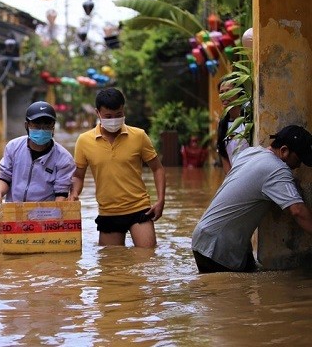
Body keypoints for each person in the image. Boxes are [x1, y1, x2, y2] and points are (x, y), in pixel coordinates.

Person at [192, 125, 312, 273]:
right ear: (284, 151)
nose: (299, 164)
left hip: (205, 237)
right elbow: (298, 211)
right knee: (234, 294)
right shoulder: (277, 169)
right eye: (299, 158)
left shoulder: (251, 152)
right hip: (218, 249)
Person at [69, 87, 166, 248]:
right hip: (109, 212)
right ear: (97, 113)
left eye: (119, 115)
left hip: (139, 209)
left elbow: (158, 168)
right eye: (108, 116)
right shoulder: (84, 141)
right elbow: (78, 175)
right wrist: (74, 194)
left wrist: (161, 200)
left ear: (124, 110)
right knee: (111, 266)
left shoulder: (139, 136)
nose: (114, 120)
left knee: (148, 259)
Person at [0, 101, 75, 216]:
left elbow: (61, 194)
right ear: (27, 126)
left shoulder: (64, 158)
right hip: (13, 212)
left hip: (44, 215)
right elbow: (5, 177)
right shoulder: (13, 147)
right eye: (36, 125)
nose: (42, 130)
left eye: (47, 126)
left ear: (53, 128)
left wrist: (53, 218)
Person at [216, 79, 250, 174]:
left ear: (239, 93)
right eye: (221, 92)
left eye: (228, 91)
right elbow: (223, 155)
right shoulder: (222, 124)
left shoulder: (249, 121)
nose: (224, 95)